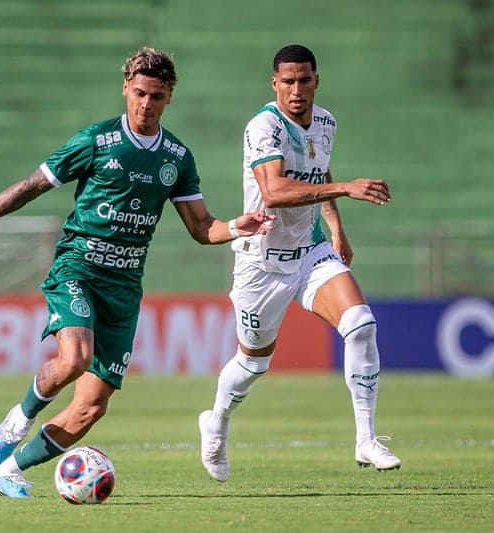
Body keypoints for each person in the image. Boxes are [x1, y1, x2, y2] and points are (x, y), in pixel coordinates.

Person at [0, 47, 275, 499]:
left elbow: (201, 227)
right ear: (126, 88)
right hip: (77, 268)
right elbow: (30, 187)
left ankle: (6, 470)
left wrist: (238, 226)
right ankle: (19, 418)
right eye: (139, 93)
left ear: (169, 97)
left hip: (124, 289)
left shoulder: (177, 158)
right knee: (75, 358)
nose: (146, 104)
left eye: (157, 96)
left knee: (91, 407)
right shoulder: (97, 141)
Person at [198, 44, 401, 482]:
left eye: (304, 80)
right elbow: (273, 191)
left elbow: (319, 172)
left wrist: (335, 226)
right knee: (253, 363)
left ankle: (366, 440)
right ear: (275, 84)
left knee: (362, 324)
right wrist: (347, 188)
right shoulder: (263, 126)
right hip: (261, 262)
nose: (296, 90)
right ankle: (215, 420)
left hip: (309, 251)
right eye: (287, 82)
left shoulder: (326, 122)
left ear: (316, 81)